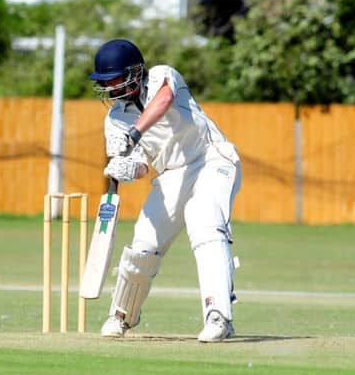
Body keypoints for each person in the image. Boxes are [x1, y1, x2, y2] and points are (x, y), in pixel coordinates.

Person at [89, 39, 242, 342]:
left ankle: (219, 316)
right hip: (171, 174)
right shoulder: (115, 120)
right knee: (143, 243)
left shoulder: (162, 75)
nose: (111, 88)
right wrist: (130, 168)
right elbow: (143, 164)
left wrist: (134, 134)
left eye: (116, 79)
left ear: (135, 72)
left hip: (211, 158)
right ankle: (121, 314)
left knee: (206, 223)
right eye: (106, 83)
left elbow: (163, 101)